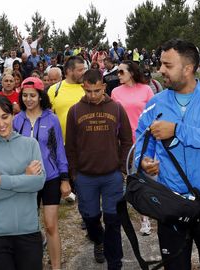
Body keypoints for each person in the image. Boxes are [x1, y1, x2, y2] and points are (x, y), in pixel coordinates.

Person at [135, 38, 200, 270]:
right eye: (161, 64)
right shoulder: (154, 103)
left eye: (167, 65)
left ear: (188, 69)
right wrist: (144, 161)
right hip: (170, 202)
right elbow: (141, 143)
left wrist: (177, 130)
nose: (160, 70)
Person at [65, 69, 132, 270]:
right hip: (85, 177)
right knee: (90, 217)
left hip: (112, 175)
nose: (92, 95)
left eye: (97, 91)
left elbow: (127, 141)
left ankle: (115, 263)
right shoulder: (75, 111)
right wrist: (73, 174)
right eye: (88, 91)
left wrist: (123, 169)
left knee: (113, 220)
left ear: (104, 87)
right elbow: (71, 146)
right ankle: (98, 240)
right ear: (83, 87)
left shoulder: (117, 109)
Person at [0, 96, 46, 270]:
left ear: (13, 115)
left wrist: (2, 181)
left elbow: (38, 183)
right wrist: (25, 176)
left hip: (28, 232)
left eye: (5, 116)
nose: (1, 124)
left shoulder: (31, 144)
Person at [13, 77, 72, 270]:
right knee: (29, 228)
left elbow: (59, 151)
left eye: (33, 95)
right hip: (26, 180)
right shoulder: (17, 120)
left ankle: (56, 266)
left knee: (51, 225)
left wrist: (65, 178)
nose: (28, 99)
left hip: (50, 179)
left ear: (40, 96)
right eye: (25, 95)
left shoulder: (52, 119)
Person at [111, 60, 154, 236]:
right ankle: (122, 215)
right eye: (117, 72)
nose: (117, 75)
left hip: (144, 140)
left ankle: (145, 218)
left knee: (142, 179)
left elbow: (154, 112)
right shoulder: (115, 92)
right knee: (127, 178)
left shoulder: (146, 90)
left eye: (121, 72)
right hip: (123, 142)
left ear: (131, 72)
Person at [47, 55, 86, 203]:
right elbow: (47, 114)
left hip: (85, 143)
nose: (83, 72)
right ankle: (67, 193)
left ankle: (86, 210)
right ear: (69, 71)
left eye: (84, 69)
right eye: (80, 69)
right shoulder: (54, 90)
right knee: (66, 174)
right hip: (61, 143)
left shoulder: (87, 88)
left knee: (85, 179)